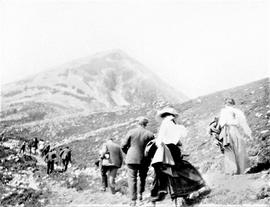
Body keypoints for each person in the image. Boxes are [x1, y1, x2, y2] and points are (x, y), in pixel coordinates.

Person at [148, 107, 209, 207]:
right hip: (175, 149)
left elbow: (159, 141)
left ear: (164, 116)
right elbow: (182, 137)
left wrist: (159, 145)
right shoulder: (176, 125)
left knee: (170, 171)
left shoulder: (165, 123)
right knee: (179, 168)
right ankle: (191, 190)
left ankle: (174, 195)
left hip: (166, 149)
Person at [121, 117, 155, 207]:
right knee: (142, 178)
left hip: (131, 159)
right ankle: (140, 197)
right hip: (144, 160)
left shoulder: (131, 132)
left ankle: (133, 200)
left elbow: (123, 146)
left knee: (132, 179)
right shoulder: (150, 134)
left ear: (138, 123)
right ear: (146, 124)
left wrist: (128, 153)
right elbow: (153, 149)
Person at [218, 98, 251, 175]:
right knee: (239, 149)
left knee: (230, 149)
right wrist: (248, 133)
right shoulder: (237, 111)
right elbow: (243, 123)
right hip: (234, 130)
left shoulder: (224, 111)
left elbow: (221, 123)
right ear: (233, 104)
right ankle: (241, 169)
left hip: (227, 131)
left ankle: (233, 170)